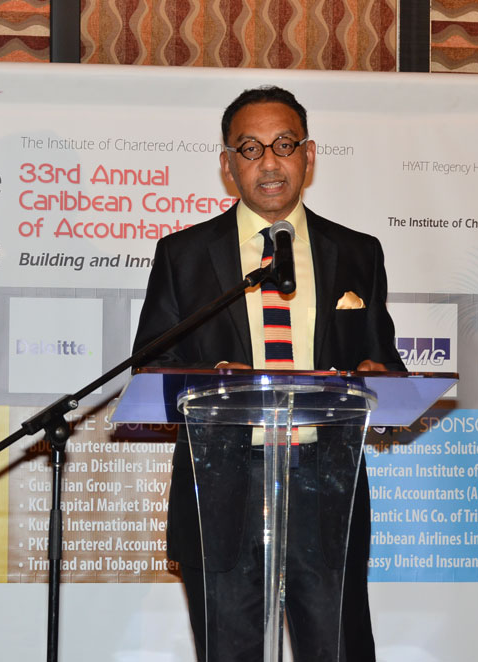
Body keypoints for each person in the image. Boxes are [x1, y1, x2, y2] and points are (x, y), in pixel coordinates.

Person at [132, 86, 405, 661]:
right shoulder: (184, 255)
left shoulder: (358, 252)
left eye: (284, 144)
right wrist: (214, 381)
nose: (270, 162)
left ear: (309, 154)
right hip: (222, 488)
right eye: (250, 149)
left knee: (340, 648)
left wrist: (379, 374)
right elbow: (151, 366)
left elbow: (384, 361)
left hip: (326, 486)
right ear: (227, 165)